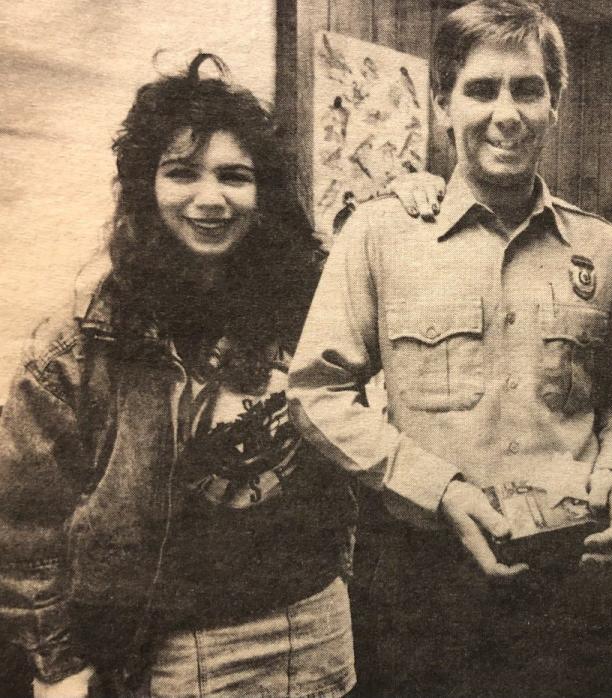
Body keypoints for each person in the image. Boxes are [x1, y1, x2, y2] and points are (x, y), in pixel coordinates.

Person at [0, 54, 441, 698]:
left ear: (263, 195)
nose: (211, 198)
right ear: (145, 188)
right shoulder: (79, 345)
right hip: (181, 653)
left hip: (319, 624)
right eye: (182, 173)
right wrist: (59, 663)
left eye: (235, 176)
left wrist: (409, 202)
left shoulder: (306, 304)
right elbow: (21, 526)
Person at [287, 1, 612, 695]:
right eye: (481, 89)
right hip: (421, 587)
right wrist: (439, 491)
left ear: (555, 105)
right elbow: (316, 391)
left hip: (572, 581)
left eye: (528, 88)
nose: (507, 112)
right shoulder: (381, 237)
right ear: (442, 105)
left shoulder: (604, 250)